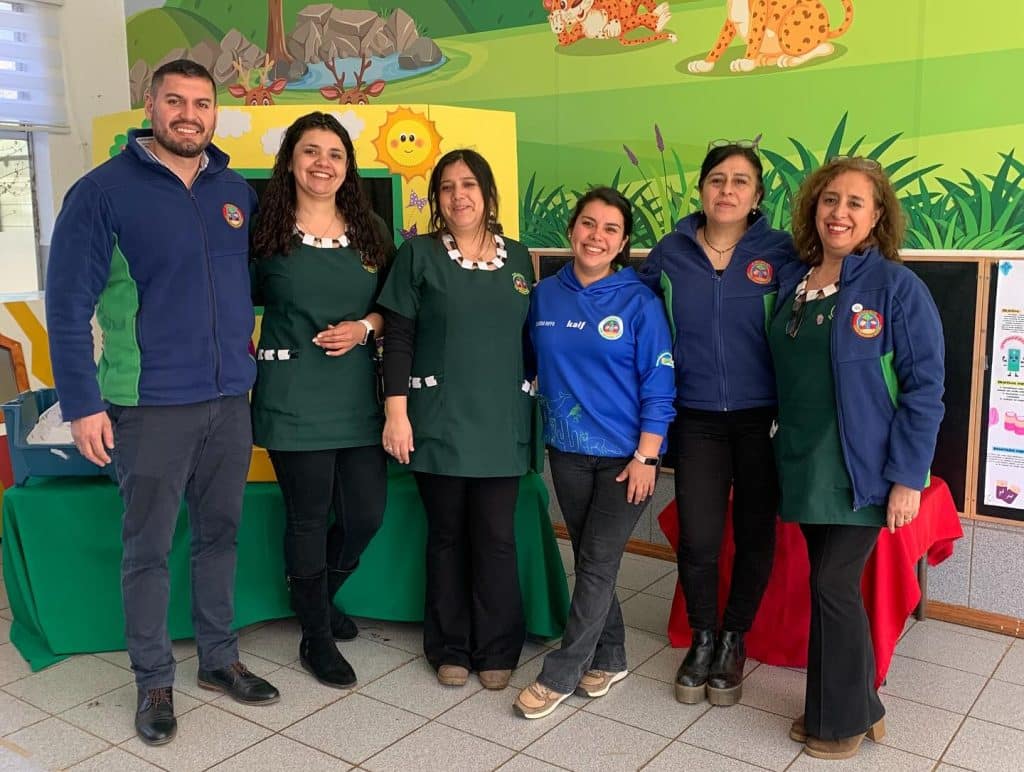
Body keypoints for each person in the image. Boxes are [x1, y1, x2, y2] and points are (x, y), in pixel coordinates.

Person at [44, 60, 279, 747]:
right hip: (149, 406)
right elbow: (67, 306)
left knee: (220, 536)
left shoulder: (234, 190)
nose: (189, 114)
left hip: (229, 401)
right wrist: (82, 403)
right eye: (175, 100)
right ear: (150, 107)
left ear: (215, 113)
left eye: (202, 103)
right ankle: (153, 680)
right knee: (147, 549)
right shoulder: (101, 192)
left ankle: (219, 658)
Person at [769, 157, 944, 760]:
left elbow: (924, 390)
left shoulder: (896, 288)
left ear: (876, 218)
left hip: (861, 470)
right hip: (803, 462)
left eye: (854, 203)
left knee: (832, 585)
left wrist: (907, 479)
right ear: (813, 209)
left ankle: (842, 721)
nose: (838, 213)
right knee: (827, 588)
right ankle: (853, 707)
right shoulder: (794, 282)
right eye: (829, 200)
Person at [638, 141, 796, 705]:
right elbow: (636, 323)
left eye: (740, 181)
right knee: (699, 536)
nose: (727, 190)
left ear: (757, 195)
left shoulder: (782, 252)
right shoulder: (670, 252)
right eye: (717, 180)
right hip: (696, 418)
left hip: (763, 420)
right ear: (701, 189)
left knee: (755, 534)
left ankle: (734, 639)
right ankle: (702, 636)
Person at [513, 187, 675, 718]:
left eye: (610, 229)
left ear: (623, 242)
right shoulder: (544, 295)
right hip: (566, 450)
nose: (596, 236)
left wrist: (647, 457)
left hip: (627, 459)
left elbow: (660, 385)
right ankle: (611, 654)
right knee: (590, 559)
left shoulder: (639, 302)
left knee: (599, 562)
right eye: (588, 223)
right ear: (571, 230)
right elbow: (527, 363)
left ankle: (561, 672)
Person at [377, 148, 533, 691]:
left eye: (468, 184)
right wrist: (396, 413)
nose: (458, 196)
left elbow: (529, 340)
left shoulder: (519, 258)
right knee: (446, 536)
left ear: (488, 194)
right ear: (436, 199)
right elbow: (398, 338)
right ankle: (450, 647)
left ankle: (498, 648)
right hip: (438, 421)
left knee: (496, 537)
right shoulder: (418, 254)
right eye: (446, 187)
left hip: (501, 422)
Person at [249, 112, 393, 689]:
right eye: (310, 151)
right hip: (293, 396)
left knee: (365, 514)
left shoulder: (370, 230)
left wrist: (364, 328)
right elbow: (230, 299)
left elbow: (396, 306)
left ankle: (315, 597)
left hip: (357, 395)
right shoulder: (263, 230)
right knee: (307, 518)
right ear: (290, 160)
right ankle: (316, 636)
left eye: (335, 153)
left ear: (347, 166)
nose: (322, 163)